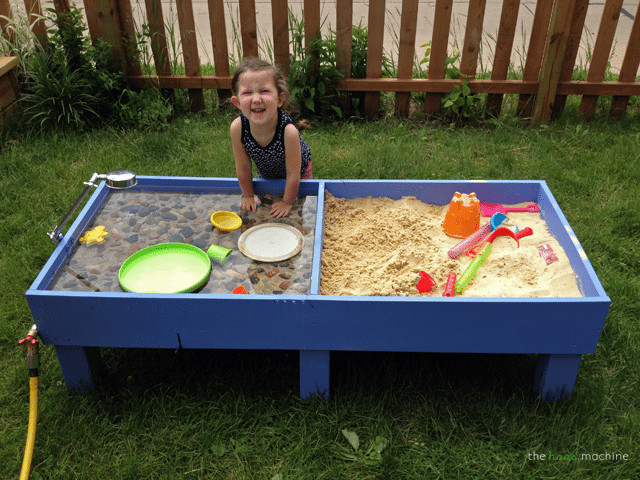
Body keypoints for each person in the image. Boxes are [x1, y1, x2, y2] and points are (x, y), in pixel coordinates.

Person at [230, 58, 312, 218]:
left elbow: (293, 175)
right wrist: (247, 195)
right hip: (267, 172)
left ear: (279, 99)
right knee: (266, 207)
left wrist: (288, 201)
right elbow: (243, 168)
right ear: (237, 102)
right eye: (247, 92)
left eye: (264, 91)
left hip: (300, 173)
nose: (256, 99)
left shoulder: (288, 132)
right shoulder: (237, 128)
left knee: (297, 209)